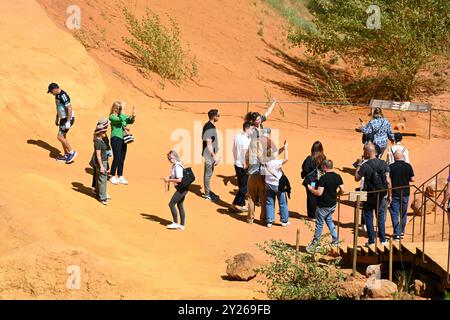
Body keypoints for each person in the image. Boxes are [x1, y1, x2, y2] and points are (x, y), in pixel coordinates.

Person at [355, 143, 391, 246]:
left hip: (369, 194)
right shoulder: (384, 164)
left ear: (367, 152)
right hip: (381, 194)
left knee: (369, 217)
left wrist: (358, 164)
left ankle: (371, 241)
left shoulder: (365, 165)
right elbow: (388, 180)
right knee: (380, 217)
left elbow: (356, 177)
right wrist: (390, 194)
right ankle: (383, 240)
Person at [306, 159, 344, 252]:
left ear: (325, 167)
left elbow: (319, 193)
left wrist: (311, 189)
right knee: (329, 220)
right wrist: (336, 195)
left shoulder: (323, 178)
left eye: (323, 166)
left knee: (319, 224)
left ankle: (315, 244)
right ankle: (336, 240)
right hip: (332, 204)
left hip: (323, 205)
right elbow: (343, 190)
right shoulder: (338, 176)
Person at [47, 83, 77, 164]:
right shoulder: (57, 96)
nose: (51, 93)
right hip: (62, 119)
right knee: (63, 137)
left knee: (59, 137)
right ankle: (66, 154)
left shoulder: (63, 95)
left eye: (51, 92)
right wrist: (57, 118)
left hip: (68, 118)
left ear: (55, 89)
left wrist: (68, 121)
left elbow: (69, 108)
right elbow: (59, 108)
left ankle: (72, 152)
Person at [389, 150, 415, 240]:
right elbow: (413, 179)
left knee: (395, 213)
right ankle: (402, 232)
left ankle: (396, 234)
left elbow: (388, 180)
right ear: (402, 156)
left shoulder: (391, 167)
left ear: (394, 157)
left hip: (395, 192)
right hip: (405, 193)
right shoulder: (408, 166)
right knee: (403, 213)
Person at [109, 101, 136, 185]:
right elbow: (121, 119)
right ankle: (112, 175)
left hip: (123, 139)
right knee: (116, 157)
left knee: (122, 158)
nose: (119, 109)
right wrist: (123, 109)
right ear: (115, 108)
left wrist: (133, 116)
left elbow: (129, 121)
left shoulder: (121, 116)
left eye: (120, 108)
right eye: (118, 108)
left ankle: (120, 176)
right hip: (116, 138)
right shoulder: (112, 117)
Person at [264, 140, 289, 228]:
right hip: (277, 185)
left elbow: (277, 152)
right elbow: (286, 159)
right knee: (282, 202)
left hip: (268, 184)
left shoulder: (265, 160)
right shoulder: (275, 162)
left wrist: (283, 147)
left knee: (269, 202)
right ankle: (284, 221)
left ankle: (269, 221)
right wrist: (286, 150)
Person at [163, 150, 188, 231]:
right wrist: (169, 177)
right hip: (183, 188)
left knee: (171, 204)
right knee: (180, 205)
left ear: (173, 157)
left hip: (182, 189)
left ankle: (175, 223)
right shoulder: (175, 165)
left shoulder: (177, 166)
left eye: (169, 158)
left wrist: (169, 180)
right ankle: (182, 225)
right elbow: (175, 176)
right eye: (168, 158)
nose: (168, 160)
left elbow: (180, 180)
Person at [301, 141, 326, 219]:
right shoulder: (324, 158)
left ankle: (312, 215)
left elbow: (304, 168)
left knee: (311, 197)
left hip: (312, 182)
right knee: (318, 196)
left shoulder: (310, 158)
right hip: (320, 180)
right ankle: (319, 214)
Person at [230, 121, 252, 212]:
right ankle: (233, 205)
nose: (252, 131)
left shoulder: (237, 136)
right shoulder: (246, 140)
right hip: (243, 165)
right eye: (251, 129)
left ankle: (242, 205)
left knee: (242, 185)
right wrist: (245, 165)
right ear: (247, 129)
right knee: (244, 187)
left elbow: (233, 149)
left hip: (236, 163)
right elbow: (245, 153)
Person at [202, 109, 220, 201]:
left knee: (209, 173)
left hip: (210, 154)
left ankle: (207, 191)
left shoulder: (210, 126)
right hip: (209, 155)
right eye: (218, 115)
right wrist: (214, 156)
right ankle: (207, 194)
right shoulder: (209, 127)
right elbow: (209, 144)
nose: (218, 117)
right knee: (208, 174)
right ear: (214, 117)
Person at [91, 117, 112, 195]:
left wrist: (108, 150)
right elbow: (98, 152)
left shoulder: (102, 133)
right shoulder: (101, 135)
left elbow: (106, 143)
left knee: (99, 173)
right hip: (100, 157)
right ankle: (100, 191)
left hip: (103, 155)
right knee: (99, 173)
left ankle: (99, 190)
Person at [93, 123, 110, 205]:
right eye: (103, 132)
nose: (105, 133)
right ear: (99, 133)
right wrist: (101, 166)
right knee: (103, 179)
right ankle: (103, 197)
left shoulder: (99, 140)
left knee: (98, 178)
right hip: (102, 162)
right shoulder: (98, 142)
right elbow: (98, 155)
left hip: (101, 162)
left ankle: (97, 193)